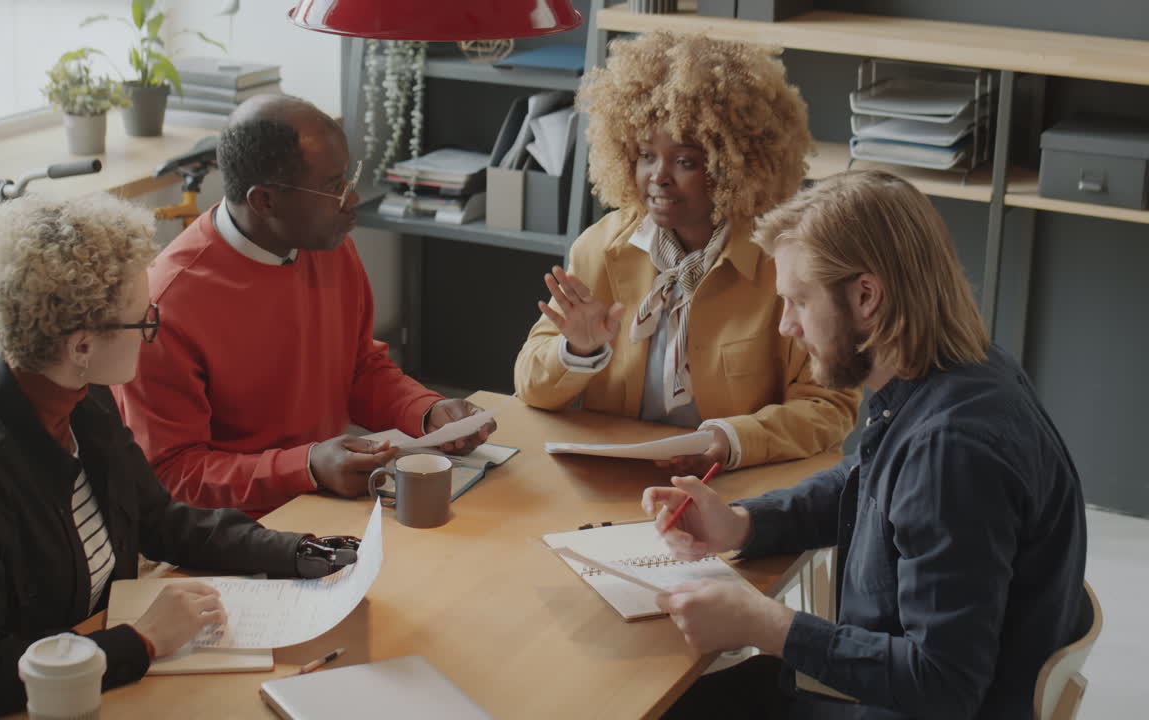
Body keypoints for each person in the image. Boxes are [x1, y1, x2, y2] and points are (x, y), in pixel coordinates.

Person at [0, 195, 358, 720]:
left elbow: (160, 521)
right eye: (144, 322)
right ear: (81, 347)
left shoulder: (83, 399)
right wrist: (142, 639)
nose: (152, 333)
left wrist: (301, 552)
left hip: (79, 682)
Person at [644, 170, 1089, 719]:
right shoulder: (963, 371)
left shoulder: (952, 450)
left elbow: (944, 685)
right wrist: (742, 523)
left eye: (799, 301)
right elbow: (870, 479)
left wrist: (768, 626)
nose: (786, 326)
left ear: (866, 296)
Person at [114, 95, 495, 517]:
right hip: (236, 530)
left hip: (324, 501)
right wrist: (306, 468)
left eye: (348, 178)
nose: (352, 198)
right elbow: (173, 475)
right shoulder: (164, 308)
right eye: (333, 187)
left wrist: (426, 411)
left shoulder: (326, 244)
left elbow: (358, 368)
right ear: (264, 201)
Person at [514, 32, 859, 476]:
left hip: (739, 479)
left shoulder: (789, 264)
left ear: (734, 164)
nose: (658, 177)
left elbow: (829, 405)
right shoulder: (600, 249)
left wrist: (731, 442)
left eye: (685, 161)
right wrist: (575, 351)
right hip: (619, 479)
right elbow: (531, 387)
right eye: (645, 155)